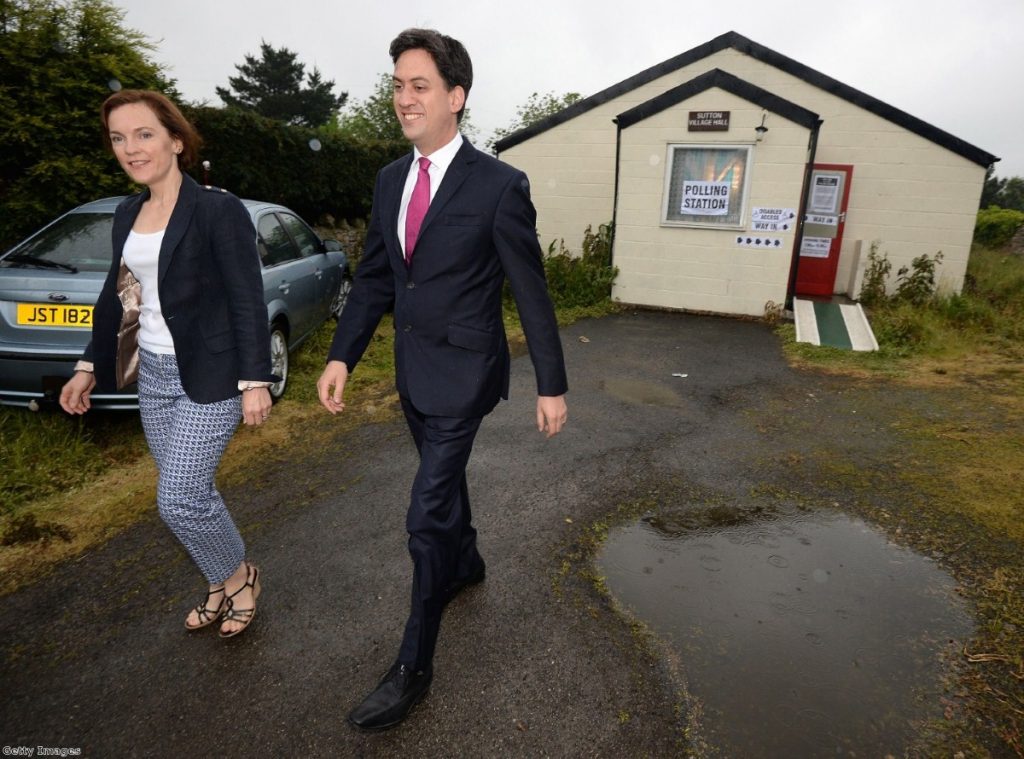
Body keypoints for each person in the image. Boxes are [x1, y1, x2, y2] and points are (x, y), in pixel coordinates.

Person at [317, 28, 569, 730]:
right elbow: (374, 279)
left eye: (419, 85)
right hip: (411, 373)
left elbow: (532, 290)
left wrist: (552, 381)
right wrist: (341, 355)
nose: (403, 97)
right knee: (442, 479)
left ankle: (413, 667)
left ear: (455, 97)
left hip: (465, 375)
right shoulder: (390, 179)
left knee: (424, 512)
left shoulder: (498, 185)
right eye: (397, 84)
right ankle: (466, 561)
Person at [60, 90, 275, 638]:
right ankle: (216, 578)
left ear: (176, 141)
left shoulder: (216, 209)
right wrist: (89, 364)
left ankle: (240, 576)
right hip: (152, 373)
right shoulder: (127, 212)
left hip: (211, 374)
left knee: (177, 497)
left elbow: (247, 296)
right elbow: (118, 295)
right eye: (118, 138)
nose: (130, 148)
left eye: (144, 134)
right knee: (192, 493)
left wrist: (255, 380)